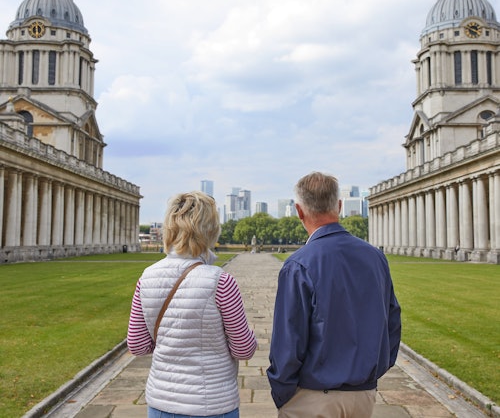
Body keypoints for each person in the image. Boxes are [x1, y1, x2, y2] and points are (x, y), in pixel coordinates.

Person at [267, 172, 401, 418]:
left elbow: (288, 342)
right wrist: (373, 373)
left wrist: (282, 392)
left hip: (312, 395)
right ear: (338, 206)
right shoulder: (375, 257)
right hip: (363, 395)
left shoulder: (298, 264)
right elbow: (392, 323)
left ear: (299, 211)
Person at [127, 191, 257, 418]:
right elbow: (243, 349)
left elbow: (137, 345)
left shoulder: (146, 278)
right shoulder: (221, 281)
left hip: (161, 403)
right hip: (212, 404)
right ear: (210, 230)